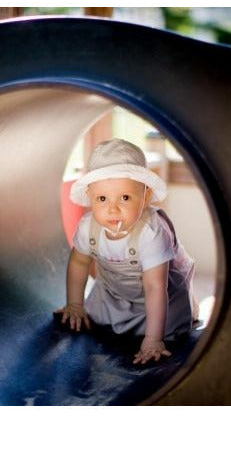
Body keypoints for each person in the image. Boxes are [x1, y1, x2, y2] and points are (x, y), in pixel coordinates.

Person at [55, 138, 197, 365]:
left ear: (146, 197)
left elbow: (155, 286)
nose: (113, 209)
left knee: (171, 330)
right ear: (90, 198)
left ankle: (168, 323)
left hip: (158, 300)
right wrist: (75, 304)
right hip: (114, 294)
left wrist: (153, 340)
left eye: (125, 197)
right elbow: (79, 263)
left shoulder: (150, 232)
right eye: (102, 199)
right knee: (95, 320)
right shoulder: (88, 227)